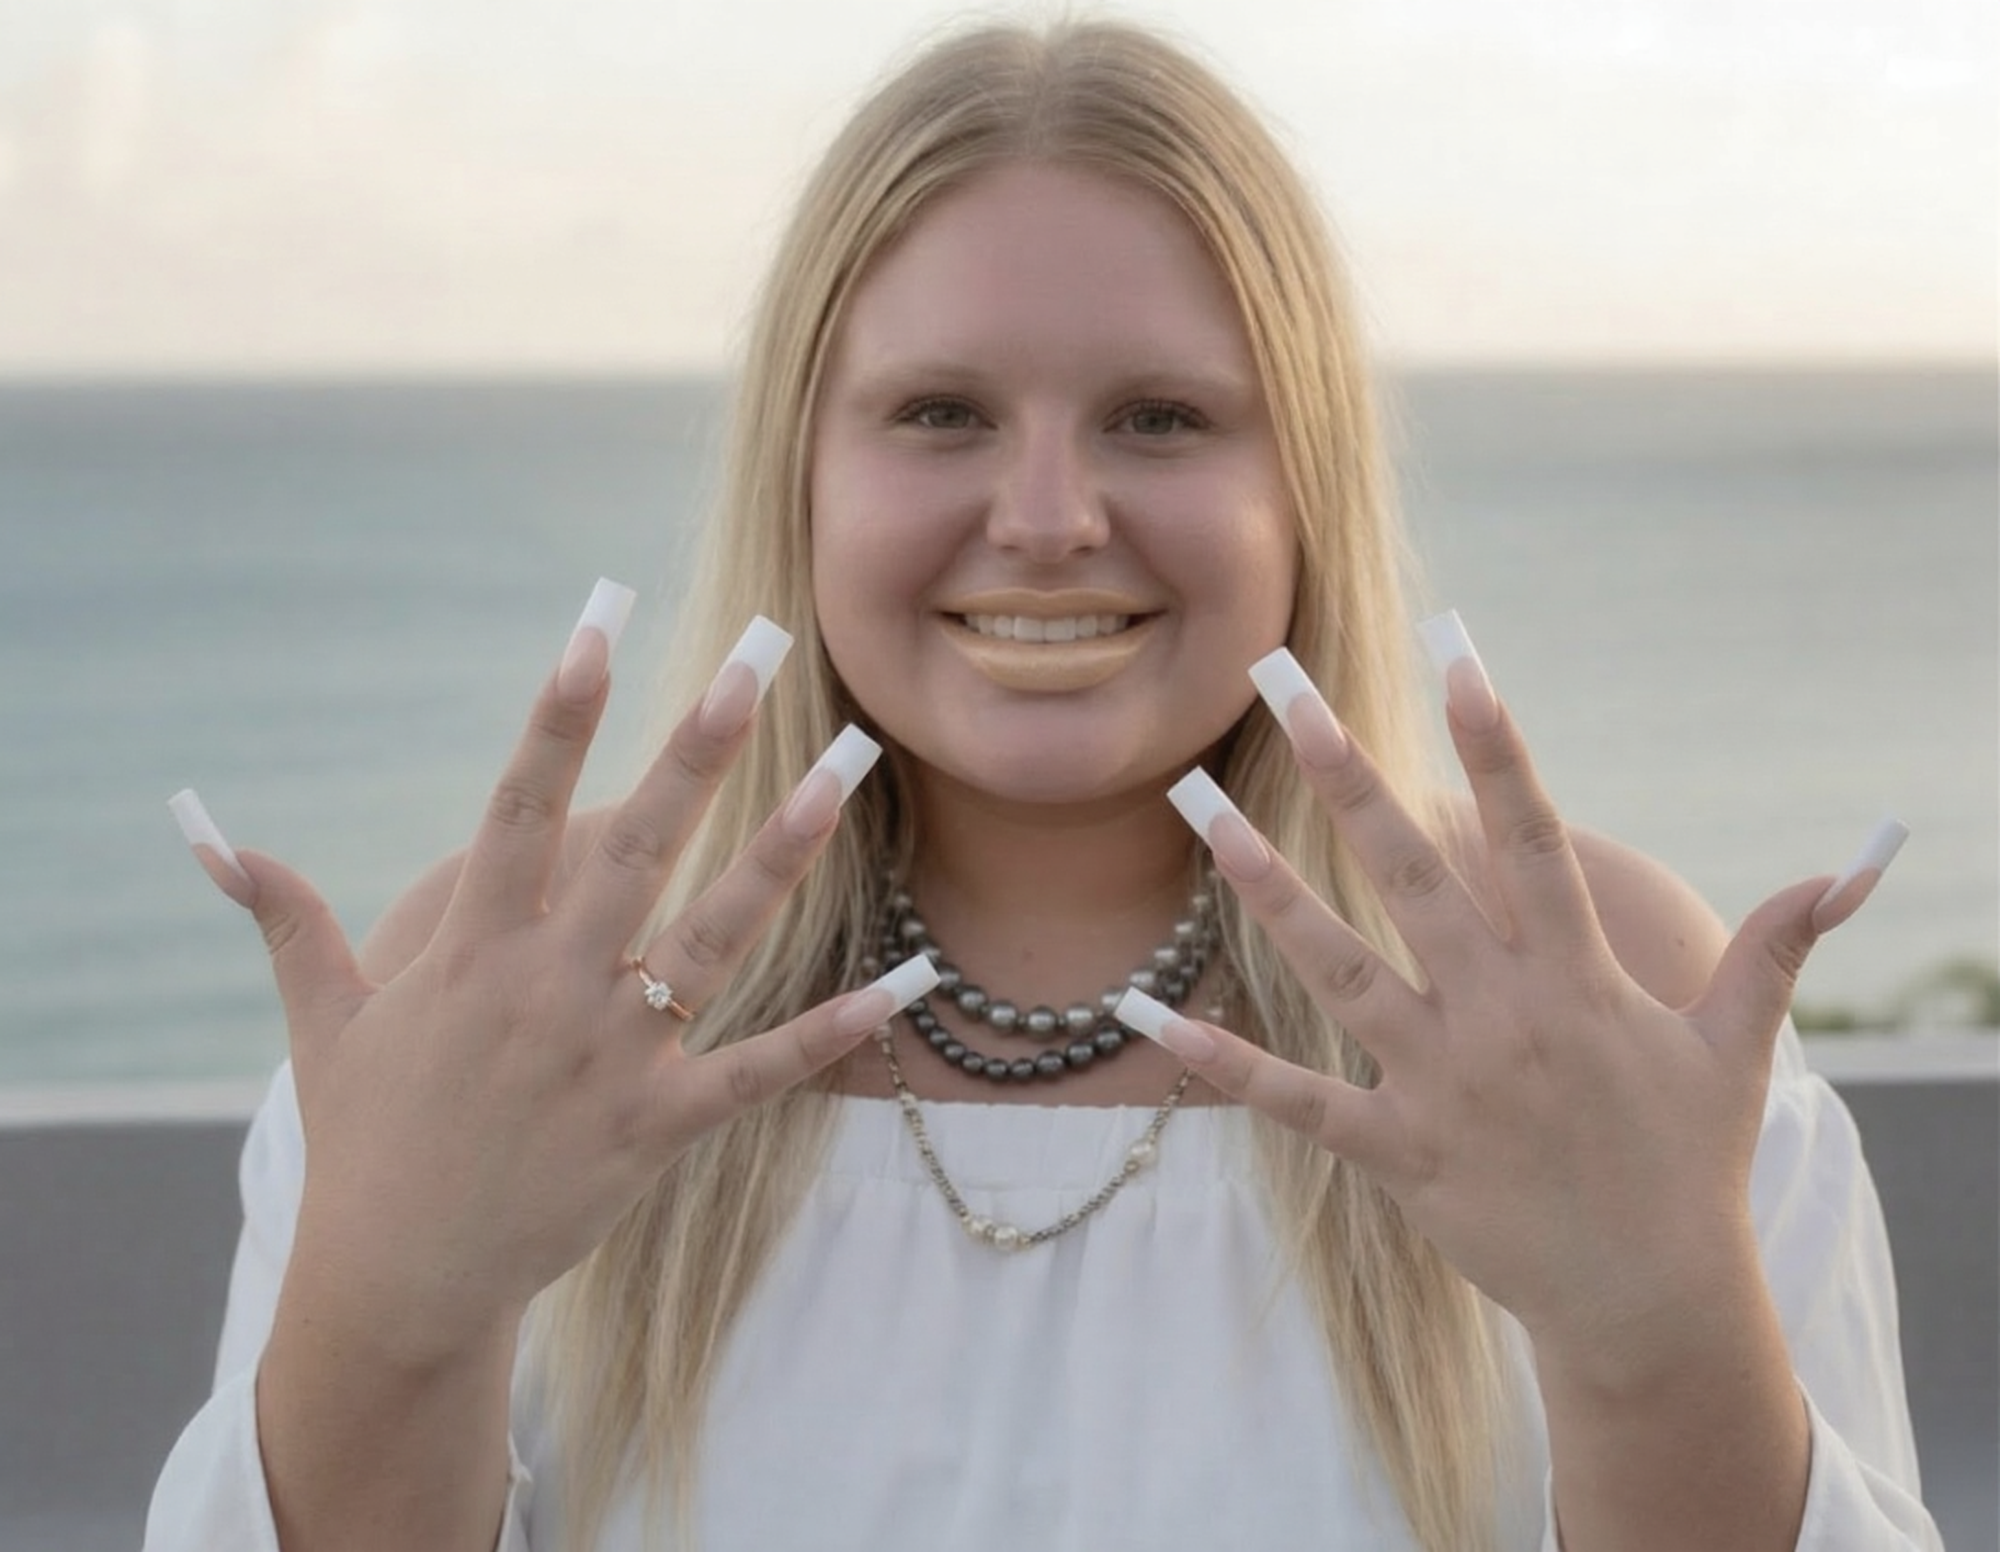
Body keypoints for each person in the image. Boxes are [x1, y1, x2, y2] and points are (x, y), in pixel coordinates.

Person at [147, 19, 1939, 1552]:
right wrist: (398, 1305)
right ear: (806, 472)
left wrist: (1656, 1330)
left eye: (1162, 417)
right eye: (940, 415)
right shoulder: (510, 1001)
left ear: (1299, 485)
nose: (1051, 516)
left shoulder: (1595, 992)